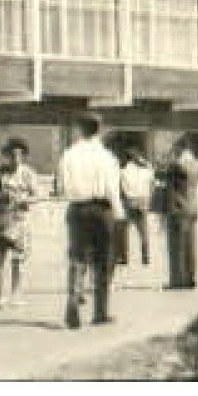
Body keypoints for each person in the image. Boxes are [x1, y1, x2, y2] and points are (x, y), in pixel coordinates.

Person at [58, 112, 123, 328]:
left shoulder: (68, 155)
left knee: (77, 257)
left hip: (77, 208)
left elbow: (62, 187)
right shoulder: (107, 157)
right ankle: (100, 311)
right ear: (99, 129)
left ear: (80, 129)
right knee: (103, 261)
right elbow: (113, 189)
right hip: (101, 210)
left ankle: (73, 302)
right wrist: (119, 213)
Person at [0, 138, 38, 308]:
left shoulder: (28, 173)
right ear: (7, 155)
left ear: (23, 156)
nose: (16, 158)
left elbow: (37, 195)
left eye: (19, 155)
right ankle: (0, 296)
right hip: (1, 219)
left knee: (18, 259)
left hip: (20, 219)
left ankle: (16, 295)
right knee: (0, 258)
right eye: (12, 155)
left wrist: (25, 199)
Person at [163, 138, 198, 290]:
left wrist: (169, 159)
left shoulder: (175, 165)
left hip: (178, 208)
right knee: (190, 245)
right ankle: (190, 278)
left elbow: (166, 180)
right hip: (192, 207)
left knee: (176, 246)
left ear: (178, 148)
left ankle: (176, 280)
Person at [117, 150, 154, 267]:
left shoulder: (122, 172)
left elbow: (120, 189)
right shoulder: (146, 171)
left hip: (128, 201)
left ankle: (123, 257)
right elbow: (152, 183)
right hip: (143, 201)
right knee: (143, 231)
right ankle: (145, 257)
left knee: (123, 231)